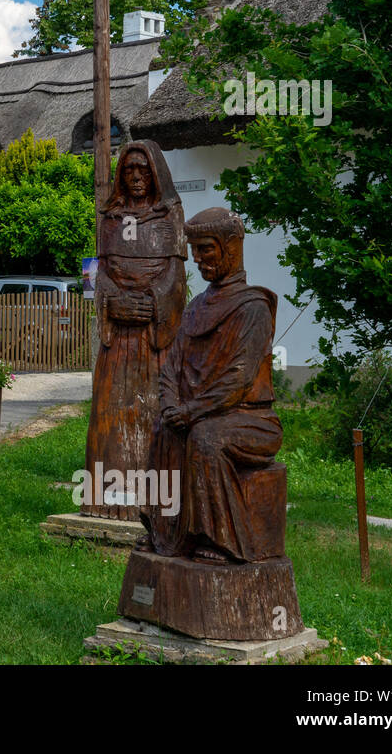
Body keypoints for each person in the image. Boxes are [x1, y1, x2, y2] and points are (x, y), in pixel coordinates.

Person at [138, 207, 282, 563]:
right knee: (165, 429)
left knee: (206, 439)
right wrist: (172, 406)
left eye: (206, 249)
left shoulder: (253, 307)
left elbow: (238, 379)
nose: (198, 259)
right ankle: (167, 535)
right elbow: (171, 367)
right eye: (195, 251)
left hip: (250, 421)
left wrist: (191, 411)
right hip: (200, 414)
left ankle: (222, 541)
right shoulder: (196, 307)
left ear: (231, 247)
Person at [82, 141, 186, 519]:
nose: (137, 177)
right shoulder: (111, 218)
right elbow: (101, 272)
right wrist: (112, 302)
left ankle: (154, 501)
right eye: (130, 171)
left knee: (153, 413)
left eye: (144, 170)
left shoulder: (169, 215)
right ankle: (106, 499)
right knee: (111, 415)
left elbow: (176, 275)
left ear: (155, 173)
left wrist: (154, 303)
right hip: (117, 343)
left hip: (153, 341)